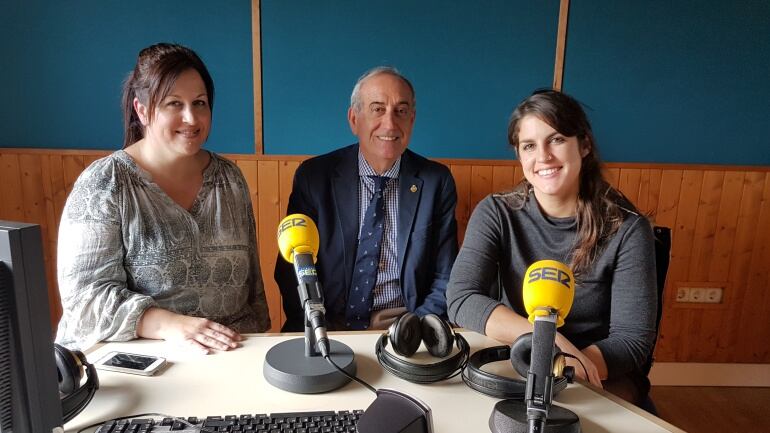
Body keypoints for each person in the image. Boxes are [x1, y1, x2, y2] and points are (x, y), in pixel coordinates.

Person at [56, 43, 271, 353]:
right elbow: (85, 303)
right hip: (137, 364)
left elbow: (253, 293)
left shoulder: (229, 178)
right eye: (173, 104)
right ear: (141, 110)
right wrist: (171, 324)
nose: (191, 118)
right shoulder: (105, 183)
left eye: (199, 103)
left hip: (226, 362)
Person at [446, 90, 657, 405]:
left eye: (556, 140)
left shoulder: (627, 229)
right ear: (519, 154)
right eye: (529, 145)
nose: (543, 157)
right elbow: (461, 298)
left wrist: (569, 366)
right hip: (518, 360)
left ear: (584, 145)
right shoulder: (496, 212)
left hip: (597, 371)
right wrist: (550, 343)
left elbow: (632, 340)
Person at [275, 66, 458, 332]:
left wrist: (415, 329)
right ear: (354, 119)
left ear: (412, 120)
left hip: (403, 326)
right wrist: (316, 324)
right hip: (327, 323)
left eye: (401, 111)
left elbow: (446, 276)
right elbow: (291, 268)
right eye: (377, 109)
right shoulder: (314, 177)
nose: (390, 124)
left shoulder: (435, 182)